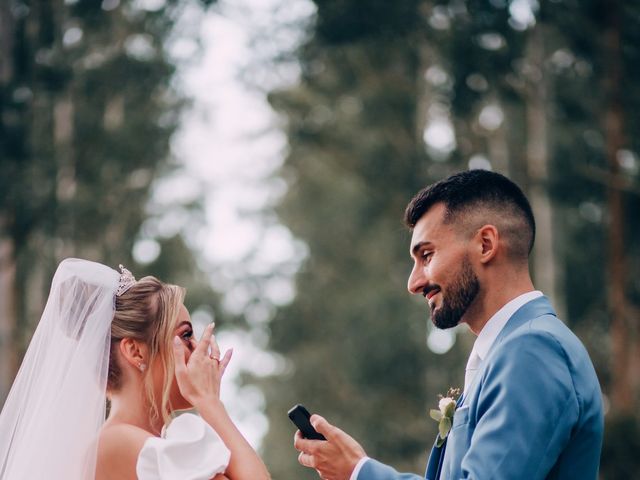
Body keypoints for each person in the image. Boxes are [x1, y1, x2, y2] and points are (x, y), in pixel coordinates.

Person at [294, 170, 604, 480]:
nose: (413, 283)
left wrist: (359, 472)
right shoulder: (510, 352)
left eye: (427, 255)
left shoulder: (533, 350)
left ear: (485, 244)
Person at [0, 258, 270, 480]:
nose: (197, 348)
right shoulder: (117, 444)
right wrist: (209, 402)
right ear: (135, 351)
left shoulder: (145, 444)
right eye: (186, 335)